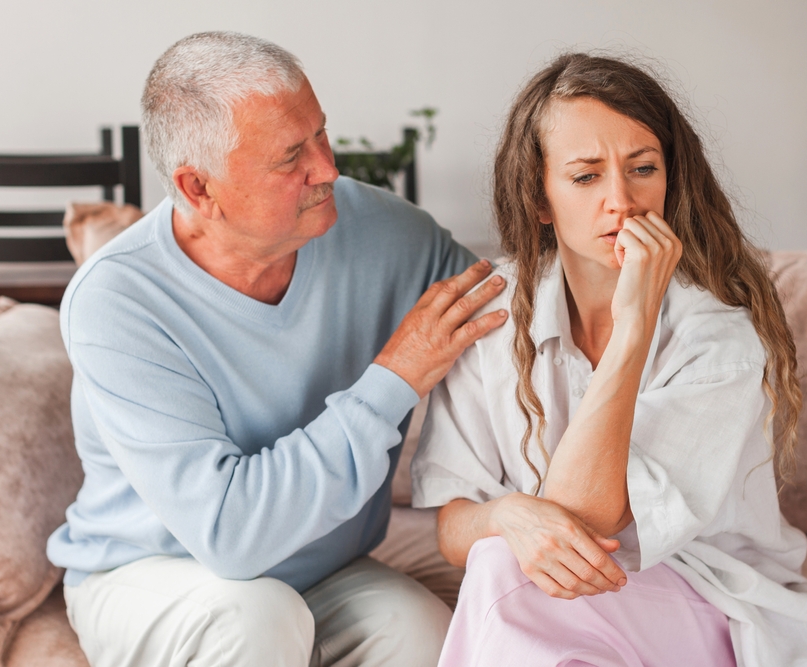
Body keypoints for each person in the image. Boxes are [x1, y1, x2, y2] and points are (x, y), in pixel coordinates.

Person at [46, 31, 508, 667]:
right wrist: (394, 376)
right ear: (198, 188)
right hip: (149, 574)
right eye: (293, 156)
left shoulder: (384, 231)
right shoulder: (115, 302)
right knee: (257, 617)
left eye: (321, 134)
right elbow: (231, 538)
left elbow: (519, 318)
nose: (329, 169)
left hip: (323, 567)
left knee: (423, 632)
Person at [411, 53, 807, 666]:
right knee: (504, 562)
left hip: (713, 602)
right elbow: (453, 527)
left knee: (504, 571)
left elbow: (590, 515)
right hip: (554, 597)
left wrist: (633, 329)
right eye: (585, 176)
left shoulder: (716, 337)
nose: (621, 201)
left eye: (643, 168)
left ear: (670, 181)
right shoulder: (494, 312)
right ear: (539, 198)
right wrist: (511, 515)